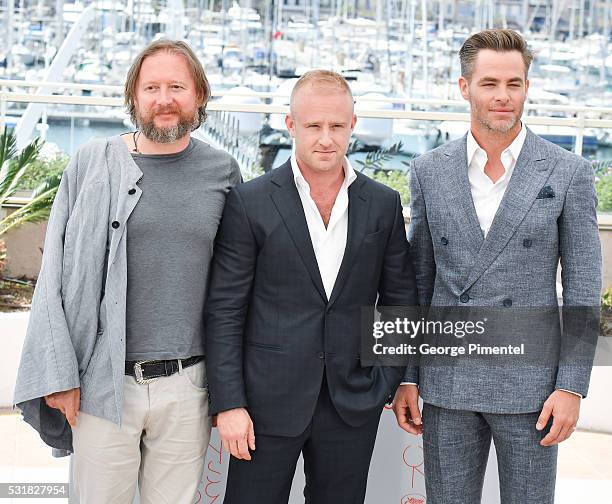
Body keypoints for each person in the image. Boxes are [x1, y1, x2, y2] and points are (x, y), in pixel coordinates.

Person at [13, 39, 241, 503]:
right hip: (101, 382)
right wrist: (59, 374)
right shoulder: (91, 164)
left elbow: (235, 286)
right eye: (151, 87)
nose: (164, 100)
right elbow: (53, 274)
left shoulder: (223, 172)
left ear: (199, 95)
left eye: (177, 86)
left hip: (188, 384)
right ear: (133, 97)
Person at [393, 29, 602, 504]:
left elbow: (585, 286)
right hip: (447, 381)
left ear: (527, 86)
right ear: (465, 88)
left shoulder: (567, 171)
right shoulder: (429, 169)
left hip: (532, 386)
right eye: (489, 83)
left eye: (514, 83)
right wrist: (406, 374)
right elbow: (417, 281)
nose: (503, 96)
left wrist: (572, 386)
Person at [205, 70, 418, 504]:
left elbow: (401, 302)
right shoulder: (251, 202)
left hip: (351, 402)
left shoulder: (382, 204)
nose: (326, 138)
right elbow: (225, 309)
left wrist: (385, 380)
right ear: (291, 125)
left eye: (337, 126)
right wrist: (229, 403)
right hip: (264, 403)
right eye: (313, 126)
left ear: (353, 126)